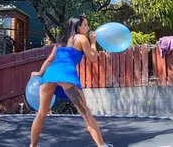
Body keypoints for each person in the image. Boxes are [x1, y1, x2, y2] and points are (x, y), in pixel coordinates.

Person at [30, 15, 112, 147]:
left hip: (49, 75)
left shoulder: (61, 41)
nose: (88, 27)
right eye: (85, 25)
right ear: (78, 26)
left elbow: (50, 59)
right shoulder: (82, 39)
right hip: (66, 76)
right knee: (86, 113)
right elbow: (93, 58)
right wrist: (93, 41)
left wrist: (39, 73)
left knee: (41, 114)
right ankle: (102, 145)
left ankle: (32, 145)